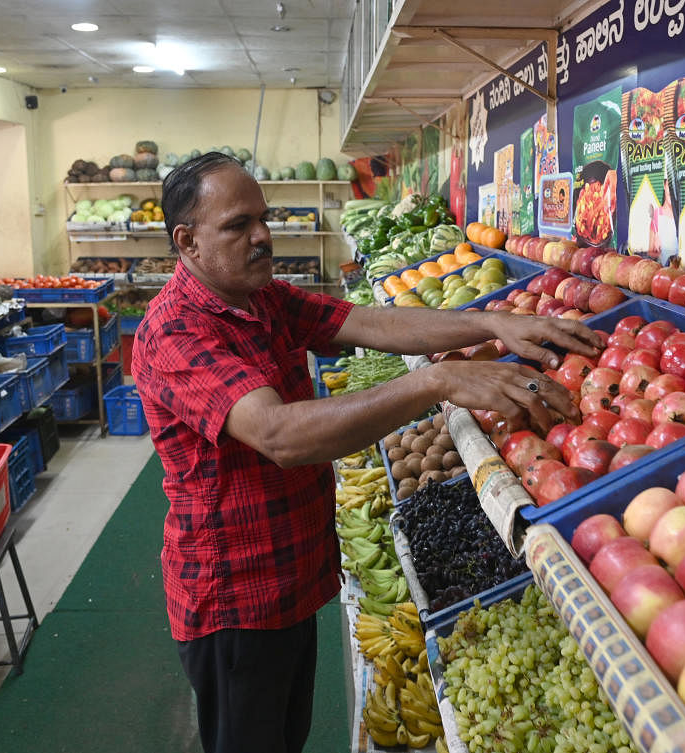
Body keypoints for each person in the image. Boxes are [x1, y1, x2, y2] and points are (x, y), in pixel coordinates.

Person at [131, 152, 602, 753]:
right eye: (238, 225)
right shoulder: (175, 331)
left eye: (263, 218)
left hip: (292, 577)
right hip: (237, 598)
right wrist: (434, 382)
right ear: (187, 240)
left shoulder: (263, 298)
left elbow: (373, 323)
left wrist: (490, 325)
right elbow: (280, 435)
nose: (262, 236)